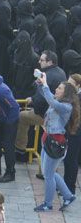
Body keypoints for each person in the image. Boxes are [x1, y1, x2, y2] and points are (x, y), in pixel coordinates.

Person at [35, 74, 81, 211]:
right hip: (48, 140)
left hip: (55, 143)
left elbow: (51, 102)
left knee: (48, 175)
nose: (56, 89)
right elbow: (48, 97)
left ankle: (48, 204)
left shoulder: (66, 106)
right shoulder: (58, 100)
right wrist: (40, 84)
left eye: (59, 88)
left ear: (65, 92)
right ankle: (68, 195)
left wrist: (45, 85)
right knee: (48, 172)